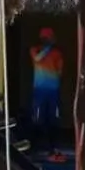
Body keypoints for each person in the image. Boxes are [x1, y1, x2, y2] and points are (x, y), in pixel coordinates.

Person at [28, 27, 65, 158]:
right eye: (44, 38)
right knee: (37, 118)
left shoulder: (57, 53)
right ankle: (34, 147)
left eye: (47, 38)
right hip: (39, 91)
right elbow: (37, 58)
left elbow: (60, 72)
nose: (45, 40)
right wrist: (48, 48)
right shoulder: (34, 50)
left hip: (53, 91)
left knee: (53, 119)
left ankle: (52, 147)